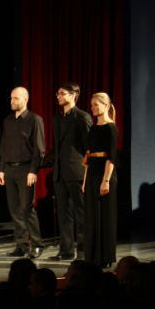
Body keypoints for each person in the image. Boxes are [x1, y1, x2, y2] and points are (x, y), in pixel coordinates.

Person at [0, 87, 45, 259]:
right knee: (14, 209)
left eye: (16, 98)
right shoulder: (8, 120)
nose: (12, 101)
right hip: (10, 169)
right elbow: (4, 146)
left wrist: (33, 171)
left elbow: (39, 149)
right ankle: (21, 244)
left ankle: (37, 244)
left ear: (25, 99)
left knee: (26, 207)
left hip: (26, 169)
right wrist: (1, 169)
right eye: (11, 98)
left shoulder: (34, 120)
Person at [49, 82, 92, 260]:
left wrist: (86, 172)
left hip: (76, 171)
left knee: (81, 213)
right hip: (60, 172)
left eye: (62, 93)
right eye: (57, 93)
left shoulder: (82, 117)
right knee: (63, 213)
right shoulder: (57, 118)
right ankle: (66, 250)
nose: (58, 96)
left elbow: (89, 148)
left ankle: (83, 251)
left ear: (73, 95)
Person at [82, 92, 118, 268]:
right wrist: (84, 181)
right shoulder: (94, 128)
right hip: (92, 175)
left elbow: (111, 157)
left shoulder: (111, 128)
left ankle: (105, 257)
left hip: (105, 175)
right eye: (92, 105)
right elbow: (88, 157)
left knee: (105, 216)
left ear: (106, 105)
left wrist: (106, 180)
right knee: (92, 217)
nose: (93, 108)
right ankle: (92, 256)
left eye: (96, 104)